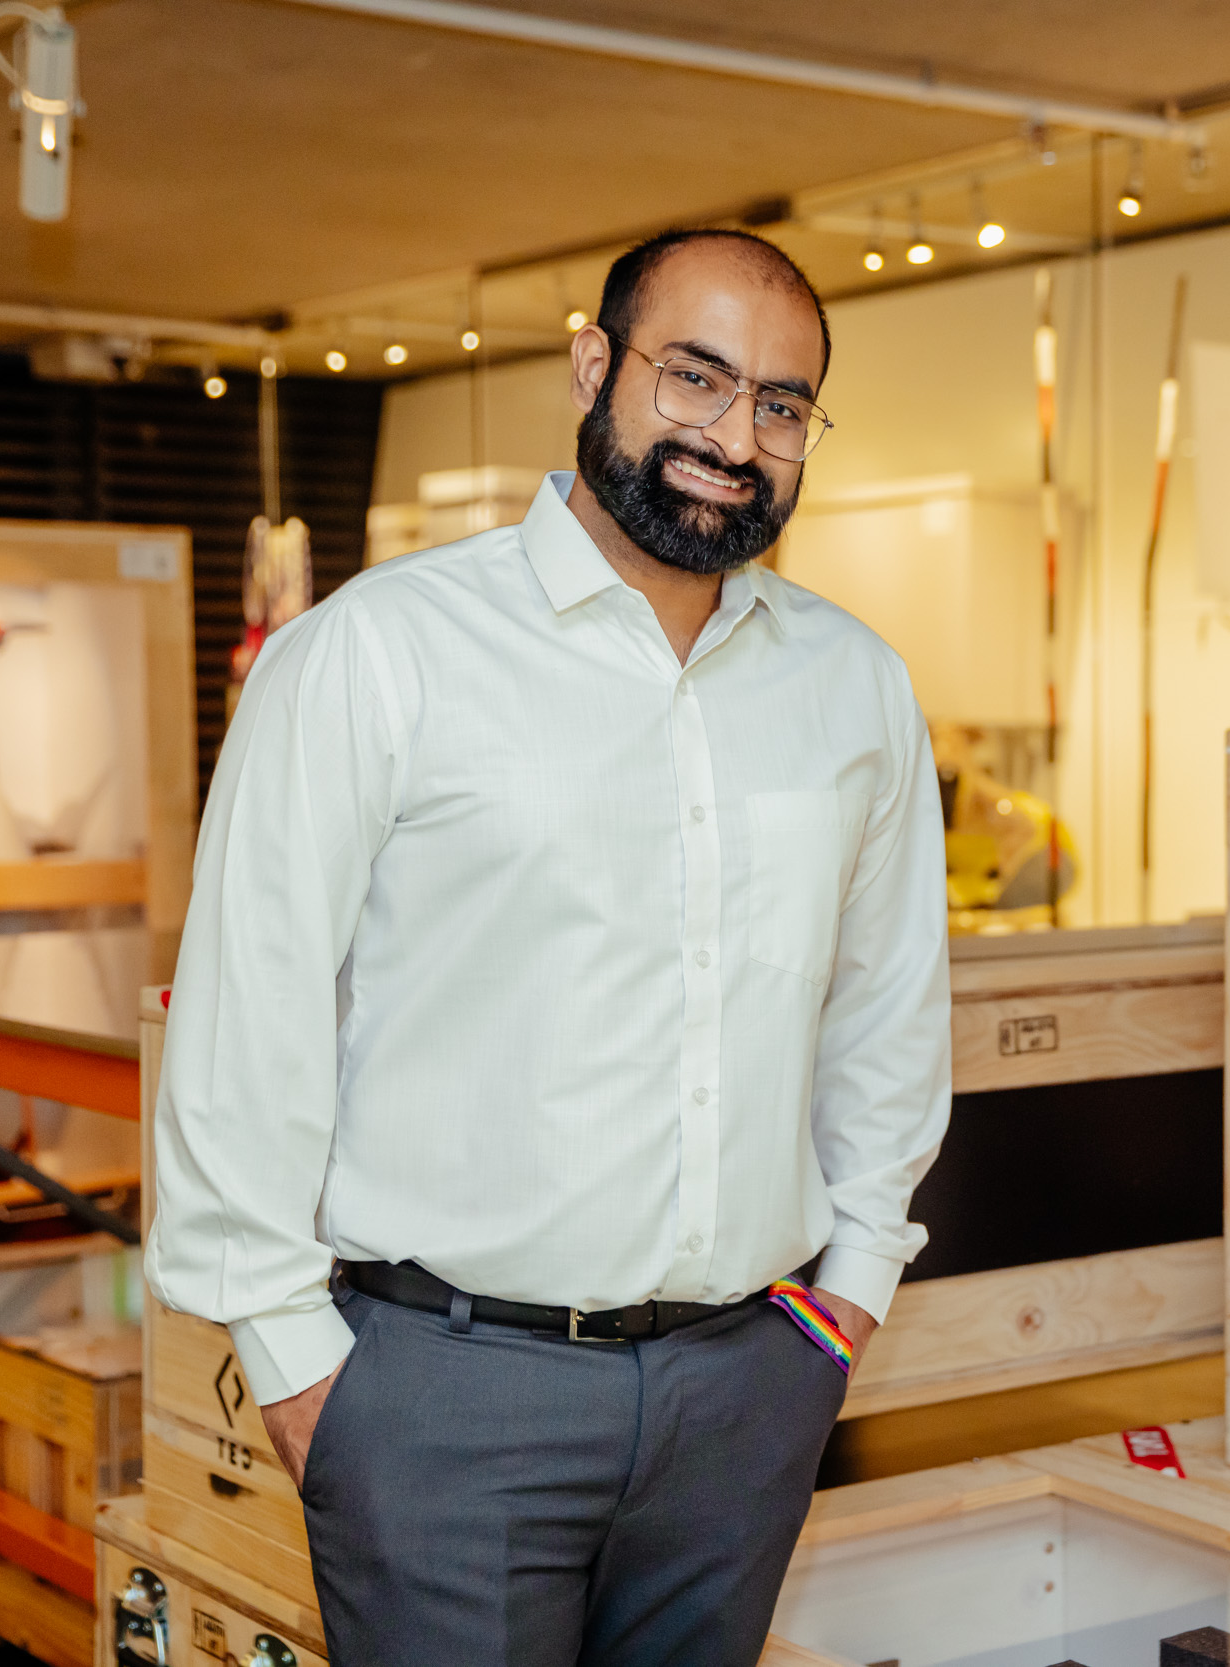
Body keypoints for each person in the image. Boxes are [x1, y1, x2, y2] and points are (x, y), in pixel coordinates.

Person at [148, 228, 952, 1667]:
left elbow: (887, 1010)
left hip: (746, 1386)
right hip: (441, 1396)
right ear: (595, 366)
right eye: (694, 378)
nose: (733, 436)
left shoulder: (855, 687)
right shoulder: (379, 651)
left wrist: (850, 1296)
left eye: (780, 404)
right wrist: (293, 1358)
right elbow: (244, 1017)